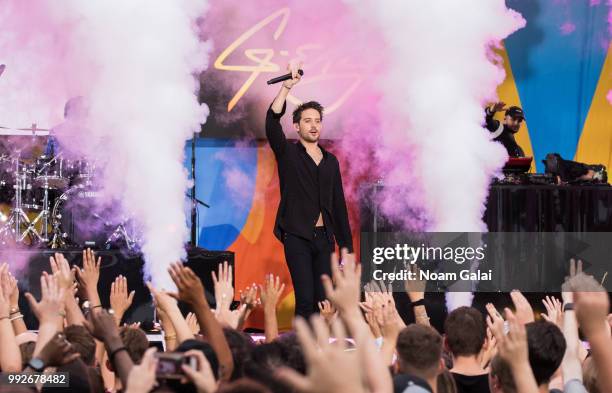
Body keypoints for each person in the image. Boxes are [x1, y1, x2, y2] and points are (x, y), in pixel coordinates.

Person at [265, 62, 353, 319]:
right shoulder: (288, 153)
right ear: (297, 126)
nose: (313, 125)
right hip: (297, 237)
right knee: (304, 301)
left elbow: (338, 206)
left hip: (325, 240)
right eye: (307, 121)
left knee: (324, 303)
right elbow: (272, 122)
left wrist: (346, 250)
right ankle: (301, 355)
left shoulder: (331, 161)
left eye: (317, 121)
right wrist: (286, 88)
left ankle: (320, 354)